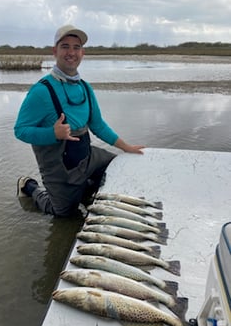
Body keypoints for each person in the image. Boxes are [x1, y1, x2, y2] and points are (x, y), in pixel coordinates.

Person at [14, 24, 145, 217]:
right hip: (59, 170)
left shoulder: (85, 87)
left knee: (118, 167)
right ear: (55, 51)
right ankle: (29, 186)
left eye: (76, 47)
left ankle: (85, 191)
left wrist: (127, 148)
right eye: (65, 46)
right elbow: (20, 130)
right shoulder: (41, 91)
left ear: (82, 53)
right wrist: (52, 134)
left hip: (87, 157)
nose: (71, 52)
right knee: (62, 214)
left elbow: (98, 125)